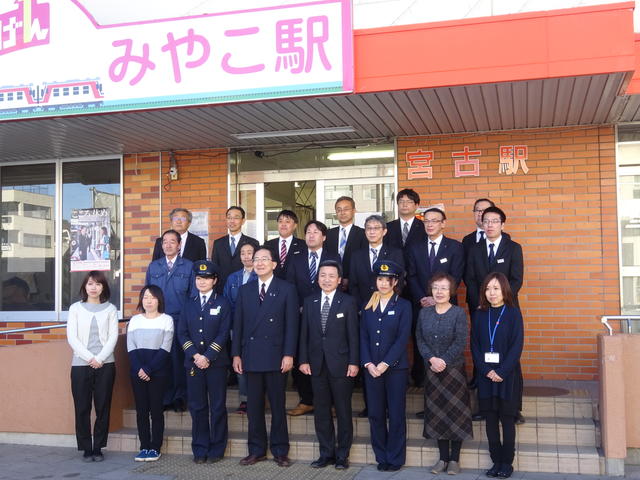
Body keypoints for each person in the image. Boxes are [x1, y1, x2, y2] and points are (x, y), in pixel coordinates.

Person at [232, 246, 298, 468]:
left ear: (274, 264)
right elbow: (238, 326)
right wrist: (236, 355)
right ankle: (256, 450)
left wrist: (289, 354)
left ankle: (280, 450)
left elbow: (292, 326)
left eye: (264, 259)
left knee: (278, 405)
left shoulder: (286, 289)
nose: (259, 263)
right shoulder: (245, 290)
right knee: (254, 407)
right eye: (256, 259)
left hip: (276, 356)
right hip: (250, 356)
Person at [298, 260, 359, 470]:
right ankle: (326, 453)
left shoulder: (348, 302)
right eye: (323, 275)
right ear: (318, 278)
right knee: (321, 411)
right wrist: (303, 359)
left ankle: (342, 455)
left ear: (339, 280)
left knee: (343, 410)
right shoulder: (310, 301)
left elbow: (354, 336)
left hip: (341, 364)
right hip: (316, 365)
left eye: (331, 276)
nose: (327, 279)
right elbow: (304, 334)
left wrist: (354, 362)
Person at [415, 273, 472, 475]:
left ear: (451, 292)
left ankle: (454, 460)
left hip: (453, 371)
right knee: (437, 414)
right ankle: (442, 459)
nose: (439, 292)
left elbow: (460, 341)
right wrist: (432, 359)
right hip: (432, 370)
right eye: (436, 288)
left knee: (455, 414)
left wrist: (443, 360)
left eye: (444, 288)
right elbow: (420, 339)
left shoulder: (458, 313)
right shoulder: (424, 314)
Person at [178, 260, 232, 464]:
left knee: (217, 406)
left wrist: (208, 356)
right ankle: (200, 448)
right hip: (193, 364)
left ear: (215, 280)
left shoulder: (222, 303)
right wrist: (196, 356)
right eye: (199, 278)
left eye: (206, 278)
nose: (202, 282)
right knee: (197, 406)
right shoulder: (188, 303)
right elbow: (182, 333)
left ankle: (217, 448)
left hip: (216, 364)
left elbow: (223, 333)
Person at [470, 273, 524, 479]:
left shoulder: (513, 313)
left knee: (507, 420)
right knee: (490, 420)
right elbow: (474, 346)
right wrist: (486, 371)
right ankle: (495, 461)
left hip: (507, 376)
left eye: (496, 289)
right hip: (486, 375)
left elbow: (517, 345)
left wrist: (501, 371)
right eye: (487, 289)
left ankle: (506, 463)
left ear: (504, 291)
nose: (491, 293)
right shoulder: (480, 314)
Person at [286, 220, 340, 417]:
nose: (310, 235)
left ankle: (332, 402)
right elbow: (290, 285)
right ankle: (306, 400)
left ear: (324, 237)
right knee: (304, 355)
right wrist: (297, 307)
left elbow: (337, 284)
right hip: (301, 314)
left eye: (315, 232)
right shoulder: (296, 257)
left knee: (328, 356)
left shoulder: (333, 257)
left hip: (327, 315)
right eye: (308, 232)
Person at [406, 207, 464, 393]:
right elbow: (412, 276)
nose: (429, 224)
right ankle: (422, 383)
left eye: (434, 220)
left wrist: (436, 298)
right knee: (422, 342)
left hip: (446, 308)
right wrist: (423, 298)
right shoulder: (415, 247)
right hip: (421, 305)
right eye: (426, 221)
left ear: (443, 223)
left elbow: (456, 276)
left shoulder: (455, 247)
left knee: (447, 343)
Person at [361, 260, 411, 472]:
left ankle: (395, 457)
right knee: (375, 413)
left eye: (387, 280)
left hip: (395, 369)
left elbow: (402, 339)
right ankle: (381, 455)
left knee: (396, 413)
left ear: (395, 281)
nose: (383, 283)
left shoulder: (403, 305)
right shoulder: (369, 305)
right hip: (371, 369)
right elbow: (362, 336)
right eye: (380, 279)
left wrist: (384, 364)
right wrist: (368, 363)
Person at [66, 271, 118, 462]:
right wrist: (90, 358)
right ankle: (86, 448)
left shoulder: (111, 309)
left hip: (106, 364)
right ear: (84, 287)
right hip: (81, 365)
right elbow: (72, 337)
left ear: (103, 287)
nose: (93, 287)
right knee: (82, 407)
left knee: (103, 406)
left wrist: (101, 358)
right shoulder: (75, 309)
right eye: (90, 284)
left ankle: (98, 447)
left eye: (98, 284)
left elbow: (113, 337)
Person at [145, 229, 195, 411]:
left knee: (179, 359)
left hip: (180, 320)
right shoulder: (154, 267)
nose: (167, 245)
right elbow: (147, 295)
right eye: (164, 241)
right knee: (161, 359)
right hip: (158, 320)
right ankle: (164, 398)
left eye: (172, 241)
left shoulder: (189, 266)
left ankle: (180, 398)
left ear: (179, 245)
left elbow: (193, 297)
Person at [127, 285, 174, 462]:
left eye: (152, 297)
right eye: (145, 297)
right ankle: (144, 446)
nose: (148, 300)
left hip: (158, 372)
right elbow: (131, 347)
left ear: (159, 300)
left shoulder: (167, 320)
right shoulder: (135, 320)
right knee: (141, 411)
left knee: (156, 410)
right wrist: (140, 368)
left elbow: (165, 348)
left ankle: (155, 447)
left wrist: (148, 369)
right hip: (137, 372)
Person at [464, 206, 523, 313]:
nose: (490, 225)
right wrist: (481, 301)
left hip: (506, 303)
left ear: (502, 225)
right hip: (481, 305)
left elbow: (516, 279)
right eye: (486, 221)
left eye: (494, 221)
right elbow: (470, 279)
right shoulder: (474, 249)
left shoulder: (513, 248)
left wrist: (501, 299)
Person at [223, 242, 258, 414]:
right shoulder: (233, 278)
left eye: (249, 252)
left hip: (257, 327)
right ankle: (245, 399)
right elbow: (227, 302)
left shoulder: (261, 276)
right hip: (237, 327)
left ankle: (259, 397)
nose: (246, 256)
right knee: (240, 362)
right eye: (242, 253)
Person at [349, 214, 405, 310]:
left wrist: (388, 303)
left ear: (384, 231)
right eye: (368, 228)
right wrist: (361, 306)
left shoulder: (395, 253)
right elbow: (353, 285)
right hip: (363, 307)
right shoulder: (356, 255)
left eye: (376, 228)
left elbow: (399, 281)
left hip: (388, 306)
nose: (372, 232)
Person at [211, 206, 259, 294]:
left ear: (243, 221)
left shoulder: (253, 243)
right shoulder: (218, 243)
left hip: (247, 289)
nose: (232, 221)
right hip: (223, 290)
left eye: (236, 218)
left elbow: (256, 267)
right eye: (229, 218)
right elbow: (215, 268)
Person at [323, 196, 367, 291]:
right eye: (339, 210)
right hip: (331, 284)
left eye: (346, 209)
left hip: (356, 284)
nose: (342, 212)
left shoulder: (363, 234)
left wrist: (349, 278)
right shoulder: (328, 234)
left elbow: (363, 261)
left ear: (354, 211)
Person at [265, 209, 306, 279]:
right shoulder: (268, 245)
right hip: (273, 286)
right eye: (280, 221)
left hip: (295, 287)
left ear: (295, 225)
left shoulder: (303, 245)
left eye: (287, 221)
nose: (283, 224)